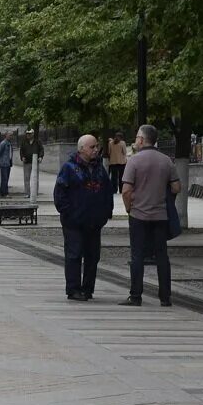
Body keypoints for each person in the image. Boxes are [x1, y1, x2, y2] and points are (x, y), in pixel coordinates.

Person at [120, 124, 180, 307]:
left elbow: (126, 191)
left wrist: (129, 208)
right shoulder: (166, 160)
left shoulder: (134, 161)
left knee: (137, 255)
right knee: (162, 256)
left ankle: (136, 296)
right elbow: (176, 187)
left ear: (141, 139)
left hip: (139, 215)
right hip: (160, 216)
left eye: (137, 136)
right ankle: (165, 297)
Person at [53, 135, 113, 301]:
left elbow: (108, 191)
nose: (95, 150)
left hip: (94, 222)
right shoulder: (70, 168)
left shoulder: (99, 169)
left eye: (96, 147)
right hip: (74, 222)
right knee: (74, 255)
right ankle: (73, 289)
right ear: (81, 149)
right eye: (92, 147)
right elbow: (60, 193)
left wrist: (106, 213)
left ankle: (88, 288)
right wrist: (68, 213)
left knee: (93, 256)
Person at [19, 129, 44, 198]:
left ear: (33, 134)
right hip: (27, 162)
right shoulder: (24, 142)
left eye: (29, 134)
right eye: (27, 134)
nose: (28, 135)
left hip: (35, 163)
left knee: (35, 178)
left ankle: (35, 193)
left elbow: (41, 149)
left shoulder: (37, 141)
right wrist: (22, 157)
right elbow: (21, 151)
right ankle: (27, 193)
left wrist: (41, 157)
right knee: (27, 178)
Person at [0, 132, 14, 197]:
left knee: (6, 178)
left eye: (11, 135)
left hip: (8, 163)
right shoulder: (3, 143)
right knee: (5, 178)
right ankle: (5, 193)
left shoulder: (9, 143)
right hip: (4, 163)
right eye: (9, 135)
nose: (11, 136)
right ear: (6, 136)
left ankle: (3, 193)